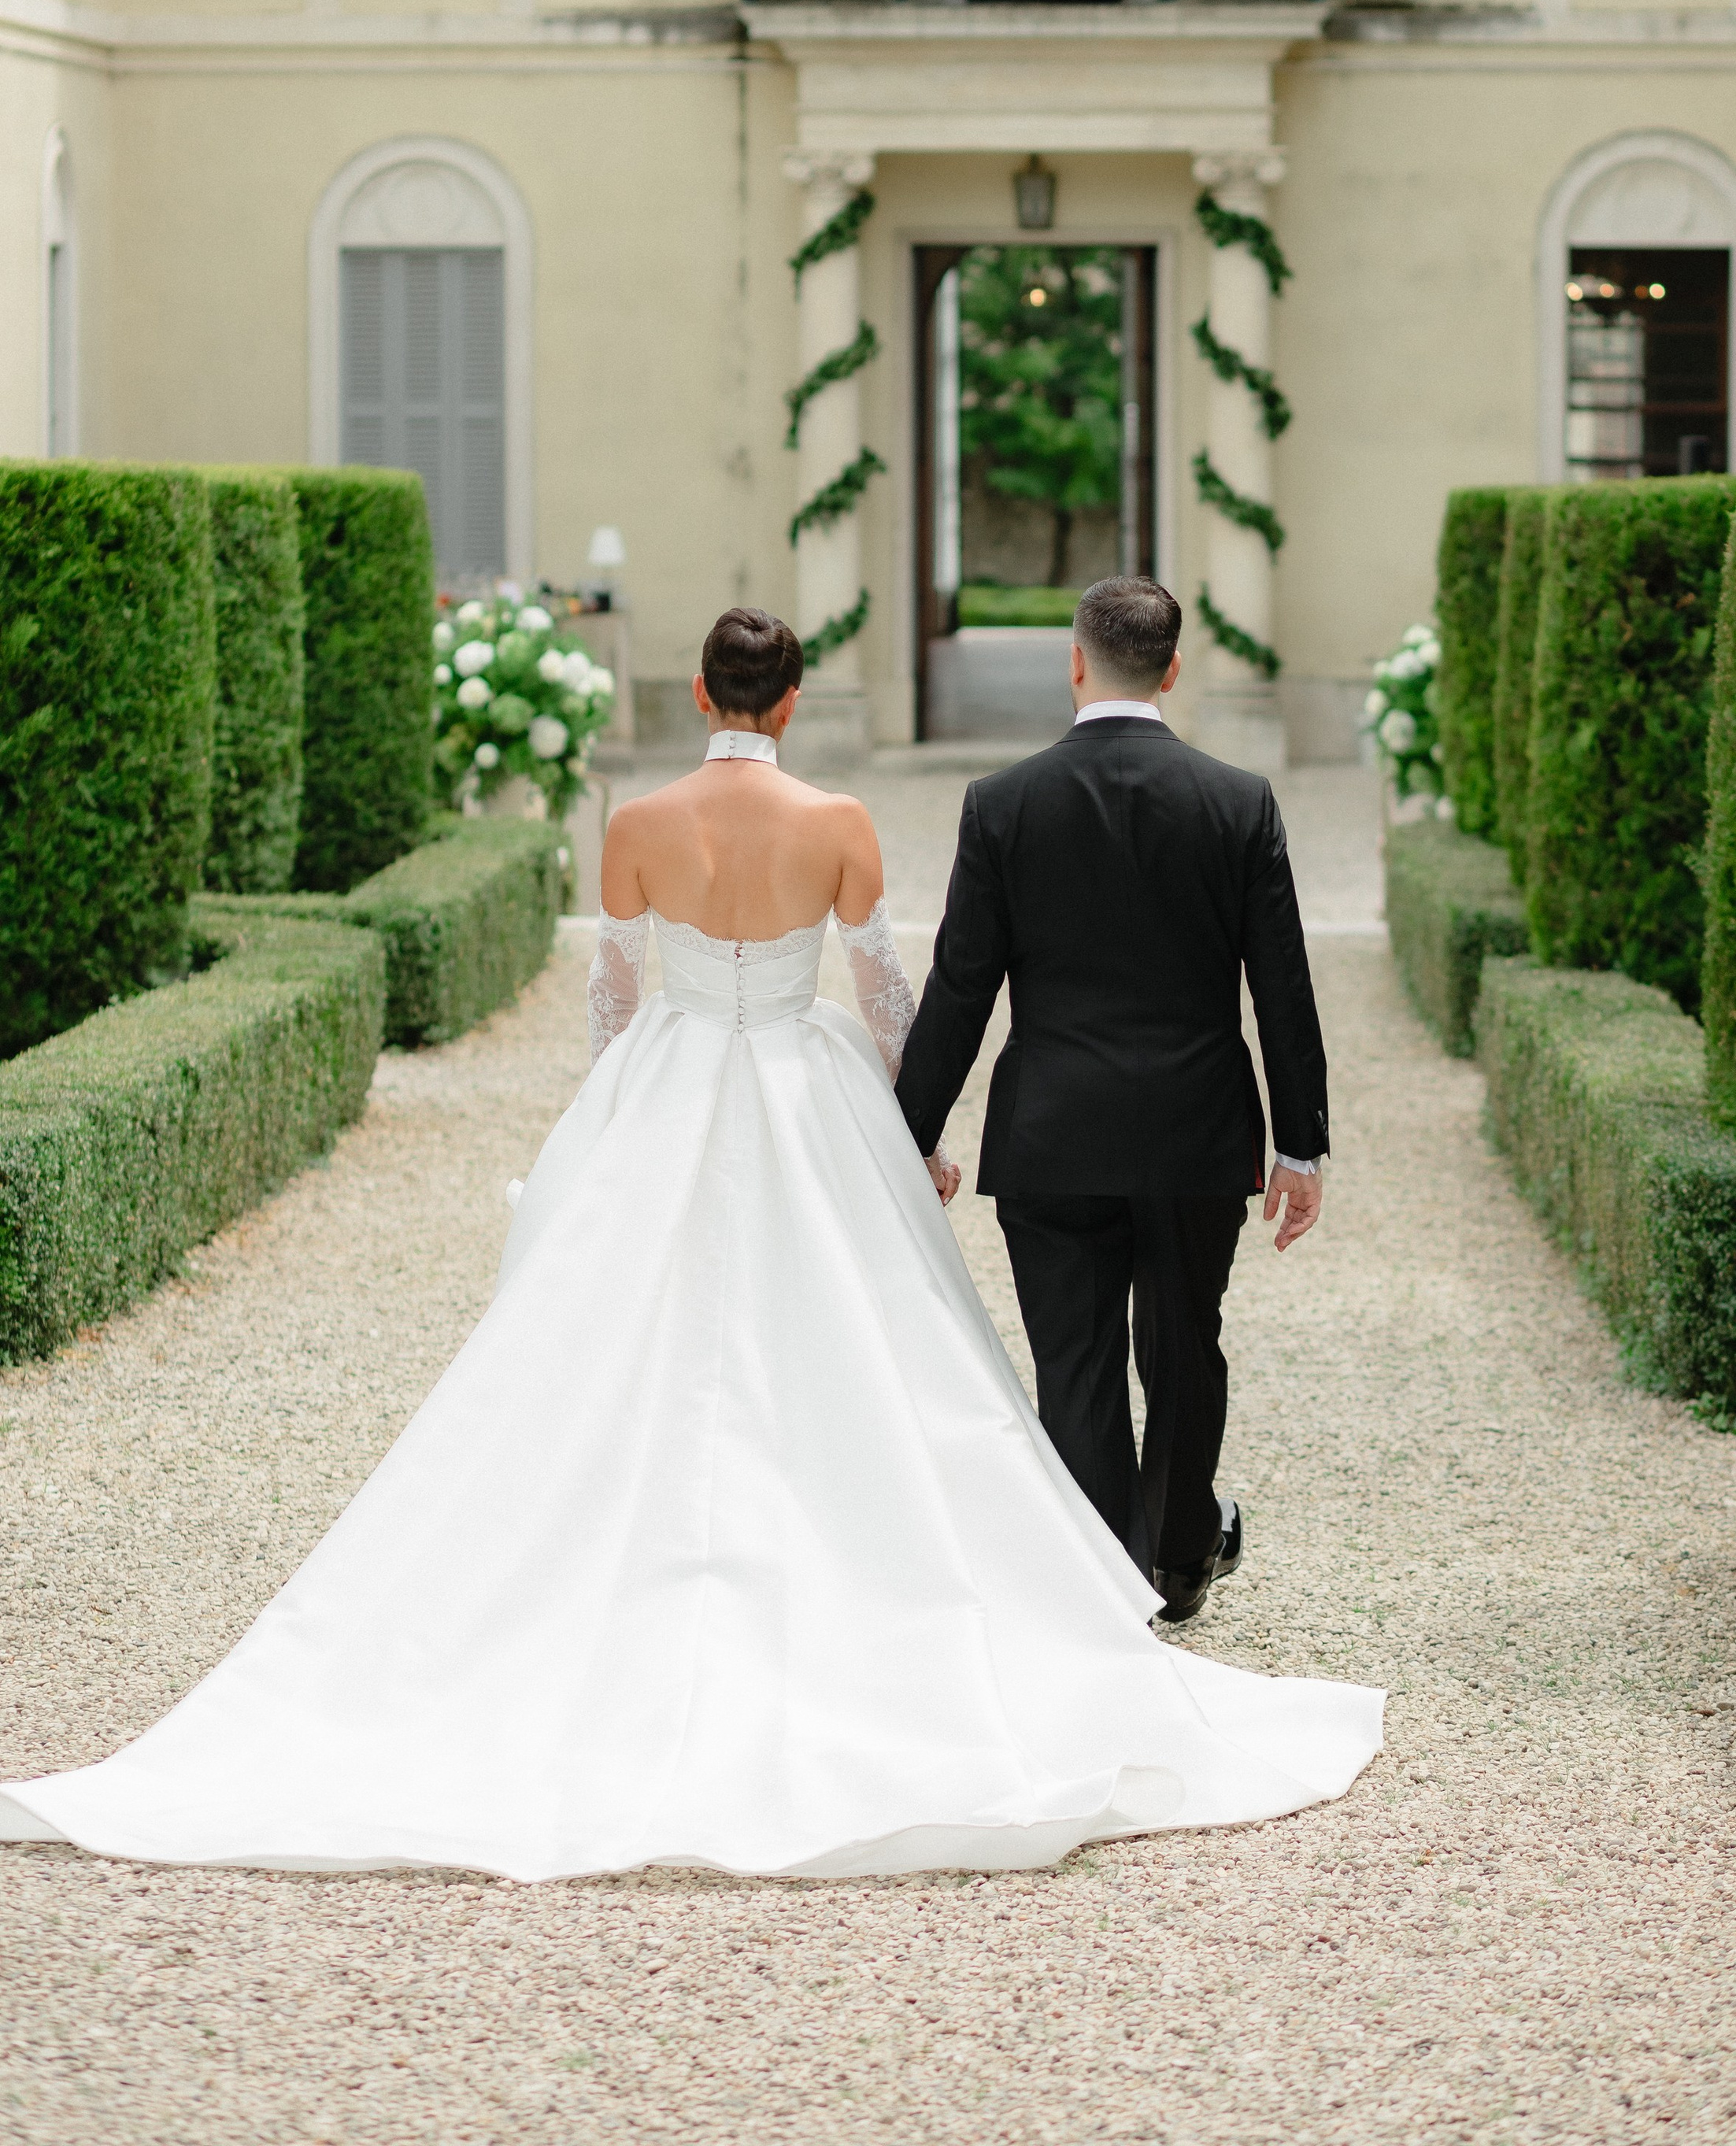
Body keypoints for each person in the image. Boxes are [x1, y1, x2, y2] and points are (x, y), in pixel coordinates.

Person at [0, 606, 1379, 1884]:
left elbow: (614, 997)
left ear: (708, 695)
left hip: (675, 1086)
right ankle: (1098, 1569)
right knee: (921, 1344)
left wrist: (616, 1115)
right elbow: (892, 992)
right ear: (789, 703)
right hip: (824, 1085)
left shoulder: (641, 821)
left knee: (645, 1341)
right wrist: (910, 1135)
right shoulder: (840, 820)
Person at [897, 577, 1327, 1622]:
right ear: (1173, 671)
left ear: (1075, 664)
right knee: (1183, 1349)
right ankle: (1177, 1562)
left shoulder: (1003, 804)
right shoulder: (1238, 802)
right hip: (1196, 1133)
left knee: (1076, 1362)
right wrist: (1300, 1145)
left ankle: (1098, 1580)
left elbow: (962, 986)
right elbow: (1282, 985)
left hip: (1054, 1132)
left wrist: (909, 1132)